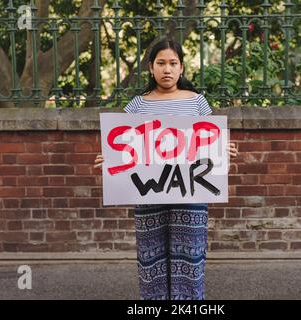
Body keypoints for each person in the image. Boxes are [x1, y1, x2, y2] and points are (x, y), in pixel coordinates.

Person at [94, 39, 238, 300]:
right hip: (149, 196)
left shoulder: (197, 102)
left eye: (173, 63)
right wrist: (110, 161)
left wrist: (221, 150)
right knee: (152, 257)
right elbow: (124, 145)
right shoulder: (138, 104)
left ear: (181, 68)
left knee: (190, 256)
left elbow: (209, 139)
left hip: (191, 195)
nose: (167, 69)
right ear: (151, 68)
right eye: (161, 63)